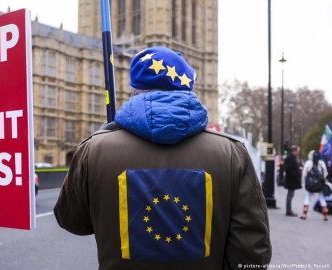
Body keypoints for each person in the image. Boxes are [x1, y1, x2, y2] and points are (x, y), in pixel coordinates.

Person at [54, 46, 271, 269]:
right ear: (189, 90)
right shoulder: (232, 153)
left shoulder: (94, 149)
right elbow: (252, 250)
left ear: (133, 90)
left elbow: (72, 221)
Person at [300, 150, 329, 221]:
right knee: (322, 198)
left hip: (310, 185)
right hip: (319, 185)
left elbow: (304, 174)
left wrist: (305, 182)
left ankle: (304, 214)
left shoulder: (308, 163)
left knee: (307, 198)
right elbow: (325, 173)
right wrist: (322, 180)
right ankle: (325, 214)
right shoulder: (321, 163)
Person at [283, 145, 302, 216]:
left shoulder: (292, 158)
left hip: (292, 180)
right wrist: (295, 175)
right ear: (294, 151)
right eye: (297, 151)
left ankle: (289, 210)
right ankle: (288, 211)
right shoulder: (289, 158)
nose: (298, 152)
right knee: (290, 195)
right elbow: (289, 169)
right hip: (291, 180)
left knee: (291, 195)